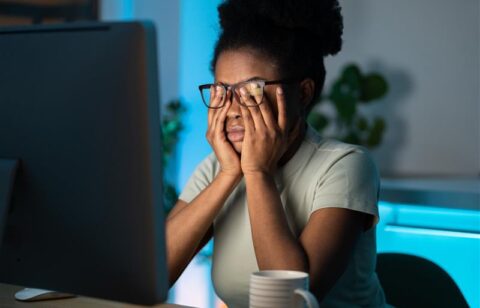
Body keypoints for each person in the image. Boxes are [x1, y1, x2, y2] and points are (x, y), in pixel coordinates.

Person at [166, 0, 387, 306]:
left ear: (304, 93)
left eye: (251, 90)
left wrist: (257, 173)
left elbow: (293, 300)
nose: (231, 110)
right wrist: (230, 174)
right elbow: (157, 272)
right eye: (222, 91)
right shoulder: (218, 167)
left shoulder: (346, 166)